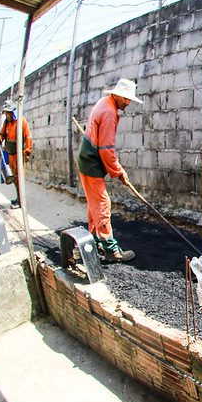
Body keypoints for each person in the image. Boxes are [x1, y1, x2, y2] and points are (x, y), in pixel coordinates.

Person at [77, 78, 142, 263]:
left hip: (88, 159)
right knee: (102, 204)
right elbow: (106, 149)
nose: (128, 103)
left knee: (94, 205)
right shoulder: (109, 112)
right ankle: (111, 249)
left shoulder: (104, 103)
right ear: (118, 95)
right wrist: (119, 172)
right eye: (126, 99)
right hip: (91, 162)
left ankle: (95, 239)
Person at [0, 102, 32, 208]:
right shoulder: (7, 122)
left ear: (13, 112)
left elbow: (28, 137)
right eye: (6, 114)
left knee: (19, 178)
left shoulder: (22, 122)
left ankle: (21, 202)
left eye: (9, 113)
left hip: (19, 155)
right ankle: (18, 198)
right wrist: (0, 137)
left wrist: (27, 151)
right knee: (14, 178)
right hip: (10, 154)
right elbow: (2, 133)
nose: (7, 115)